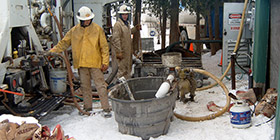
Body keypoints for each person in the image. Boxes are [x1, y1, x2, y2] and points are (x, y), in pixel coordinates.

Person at [48, 6, 111, 117]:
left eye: (88, 20)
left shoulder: (97, 30)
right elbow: (64, 43)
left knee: (100, 86)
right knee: (85, 87)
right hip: (82, 64)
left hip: (95, 63)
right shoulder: (74, 31)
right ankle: (87, 107)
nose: (87, 21)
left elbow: (104, 47)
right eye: (85, 20)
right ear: (80, 20)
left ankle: (106, 108)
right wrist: (53, 51)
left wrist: (105, 62)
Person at [111, 4, 140, 79]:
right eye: (123, 14)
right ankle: (121, 87)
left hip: (128, 52)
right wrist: (118, 51)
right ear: (120, 15)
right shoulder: (118, 25)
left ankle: (127, 86)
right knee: (122, 71)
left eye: (126, 14)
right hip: (122, 53)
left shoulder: (127, 24)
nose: (125, 16)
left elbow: (128, 32)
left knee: (128, 70)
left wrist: (135, 28)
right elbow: (116, 39)